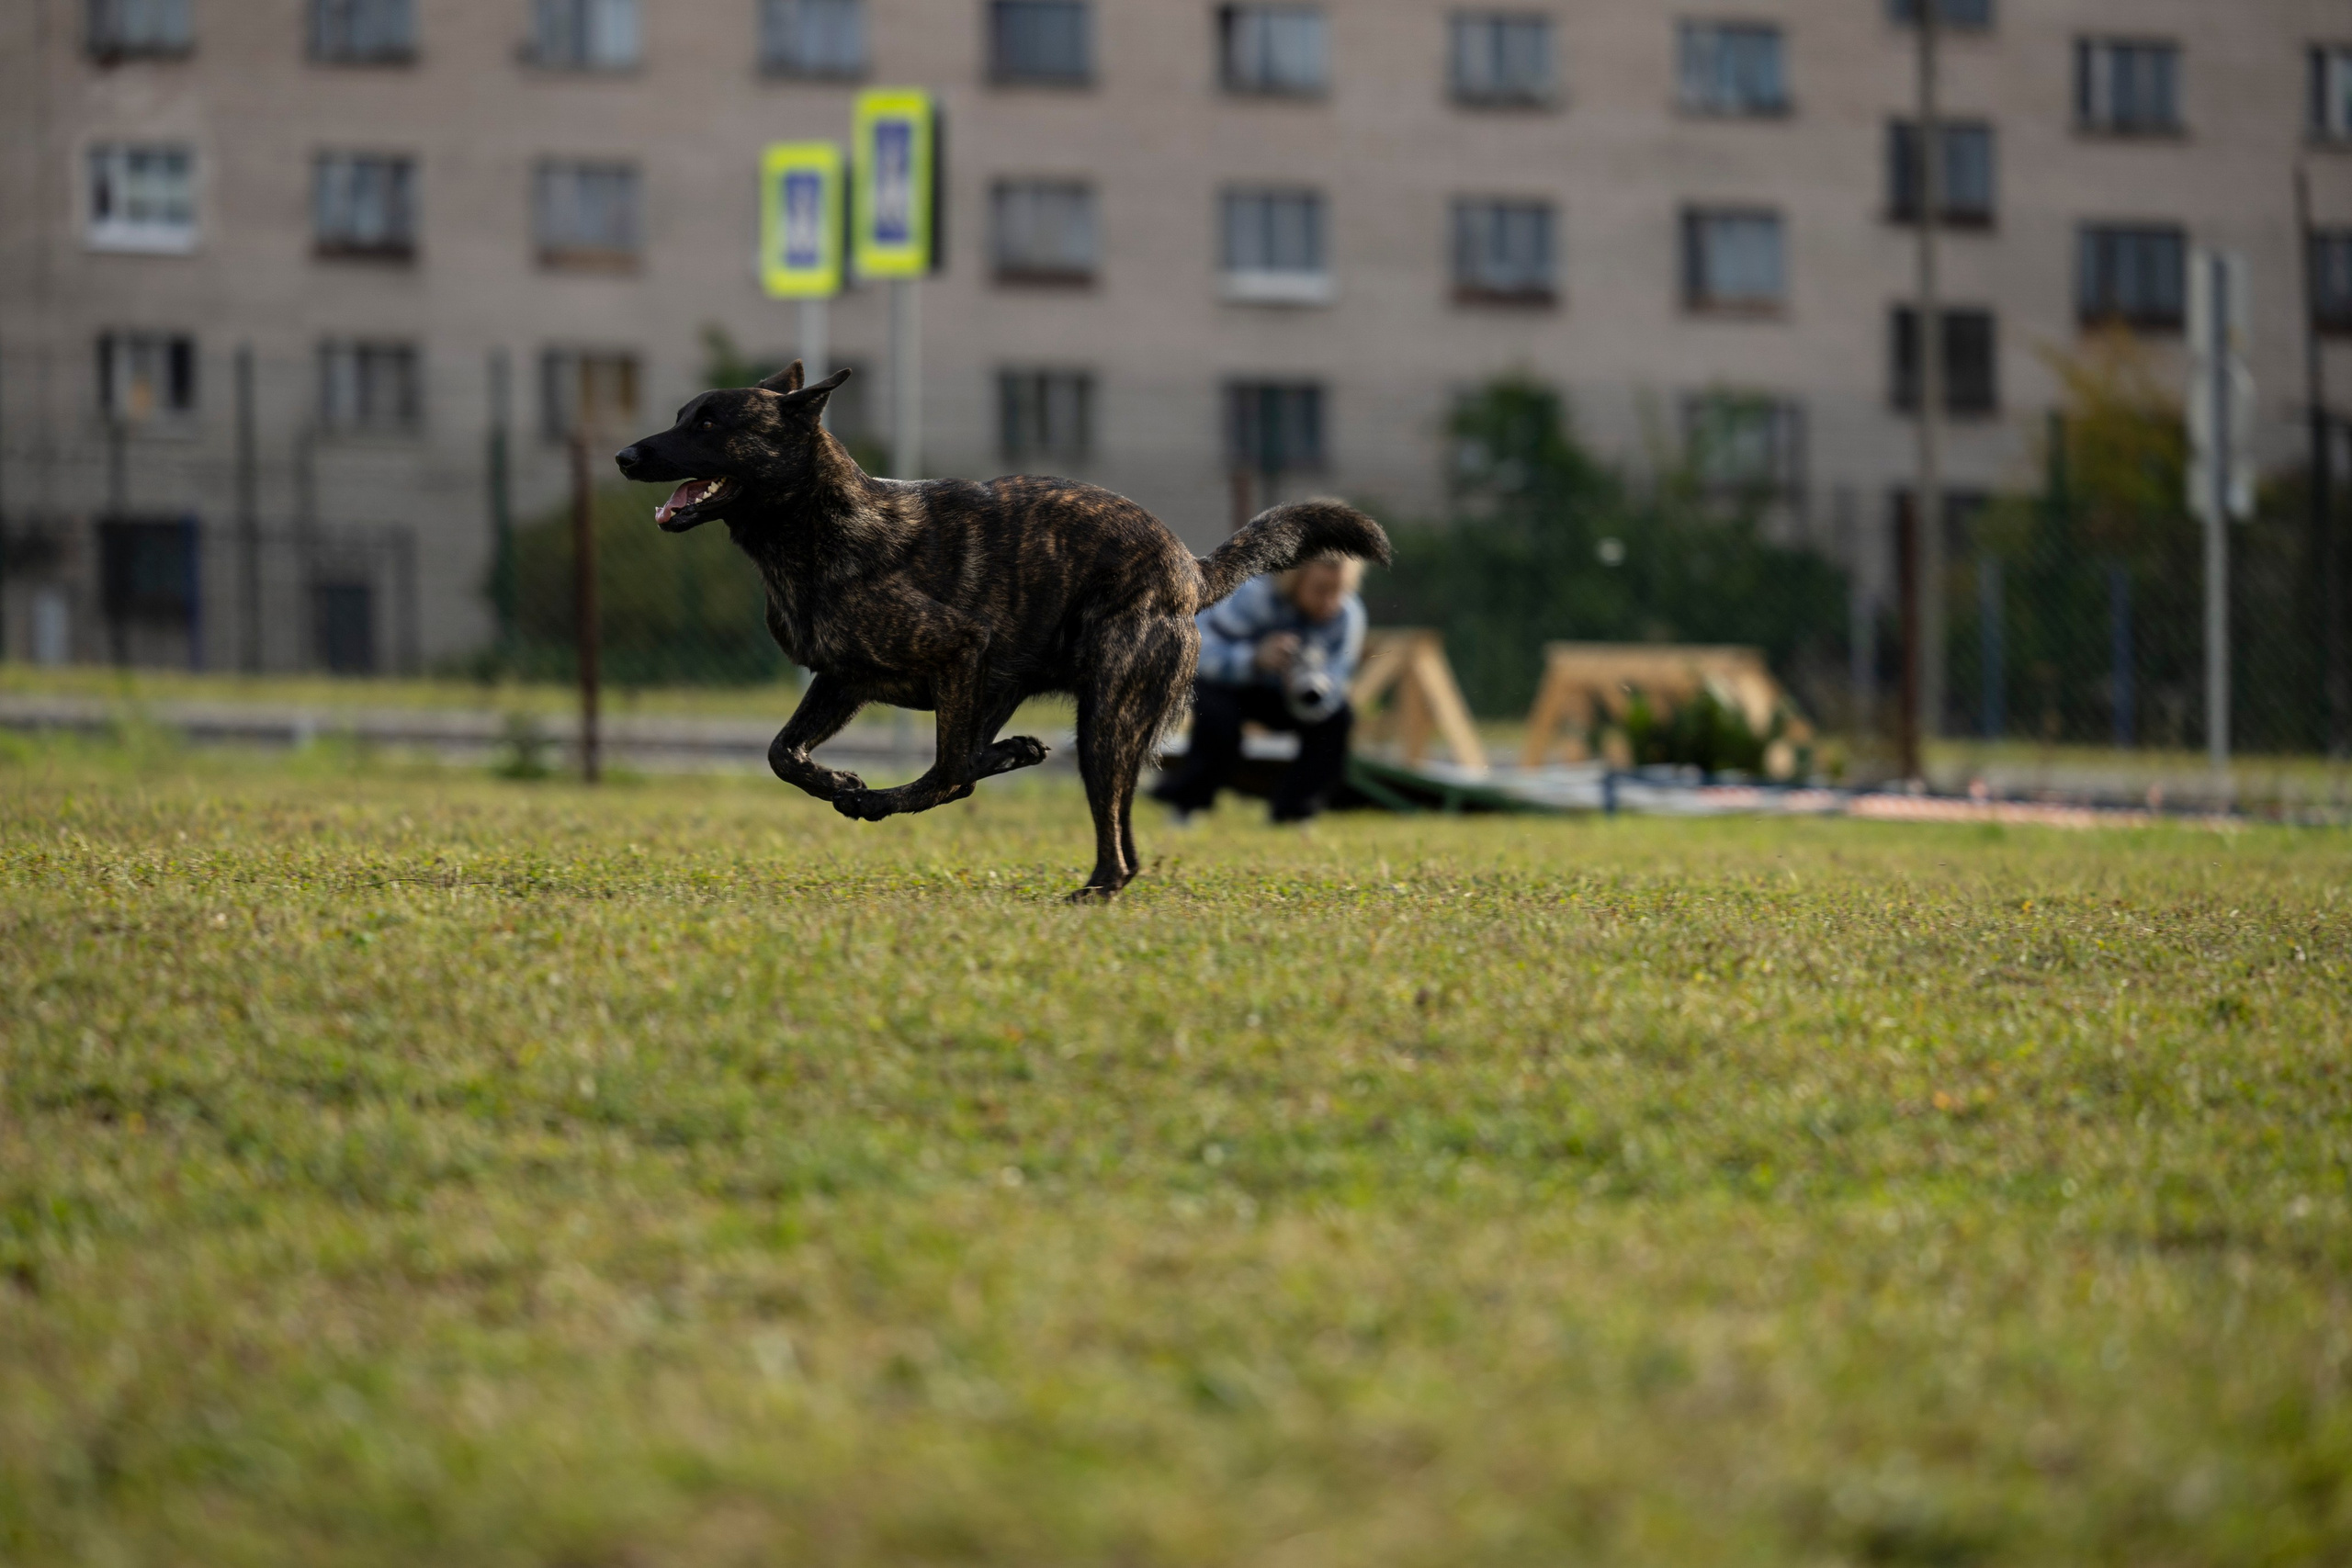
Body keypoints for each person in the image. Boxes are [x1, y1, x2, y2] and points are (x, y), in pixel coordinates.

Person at [1152, 553, 1365, 823]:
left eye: (1338, 591)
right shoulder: (1253, 595)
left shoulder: (1347, 615)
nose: (1329, 602)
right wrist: (1254, 658)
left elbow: (1336, 686)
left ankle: (1294, 813)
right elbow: (1197, 653)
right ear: (1294, 578)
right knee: (1218, 720)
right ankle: (1186, 805)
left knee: (1338, 720)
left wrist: (1305, 687)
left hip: (1289, 697)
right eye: (1321, 590)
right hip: (1230, 685)